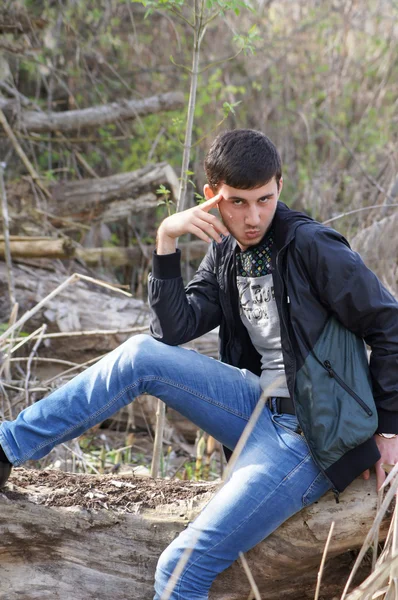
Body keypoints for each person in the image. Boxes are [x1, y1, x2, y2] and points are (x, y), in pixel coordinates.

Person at [1, 128, 398, 599]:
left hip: (310, 436)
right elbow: (172, 329)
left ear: (280, 187)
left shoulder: (312, 246)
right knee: (140, 356)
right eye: (238, 202)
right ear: (212, 197)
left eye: (264, 199)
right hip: (256, 408)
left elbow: (389, 325)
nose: (253, 217)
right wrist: (166, 237)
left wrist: (388, 429)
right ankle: (8, 446)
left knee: (179, 568)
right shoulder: (227, 251)